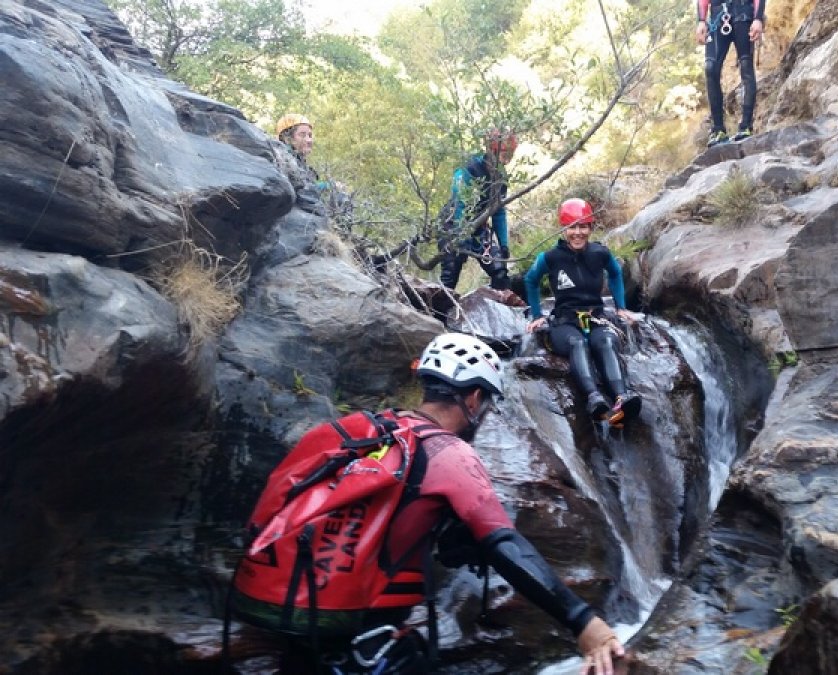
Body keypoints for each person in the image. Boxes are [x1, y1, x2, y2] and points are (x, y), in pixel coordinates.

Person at [273, 333, 627, 674]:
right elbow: (505, 543)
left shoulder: (371, 431)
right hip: (365, 649)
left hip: (292, 628)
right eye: (485, 403)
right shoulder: (448, 452)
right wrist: (584, 622)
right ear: (473, 399)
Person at [524, 199, 642, 425]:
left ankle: (621, 397)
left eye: (583, 227)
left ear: (590, 227)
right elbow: (531, 280)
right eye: (572, 227)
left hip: (596, 316)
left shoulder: (600, 253)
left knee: (606, 342)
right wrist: (537, 315)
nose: (578, 233)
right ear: (564, 229)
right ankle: (594, 397)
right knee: (577, 344)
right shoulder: (550, 258)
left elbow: (615, 274)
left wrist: (620, 307)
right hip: (564, 321)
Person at [439, 129, 517, 293]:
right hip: (453, 224)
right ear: (492, 150)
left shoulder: (501, 176)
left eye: (510, 153)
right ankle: (438, 316)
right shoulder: (469, 168)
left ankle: (499, 311)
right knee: (451, 271)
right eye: (504, 153)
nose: (507, 158)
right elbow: (459, 202)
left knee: (499, 270)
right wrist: (461, 236)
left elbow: (498, 212)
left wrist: (503, 244)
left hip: (479, 226)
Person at [694, 0, 766, 147]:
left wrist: (758, 18)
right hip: (717, 17)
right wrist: (701, 20)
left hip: (744, 14)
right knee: (710, 68)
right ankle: (718, 130)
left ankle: (746, 127)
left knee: (746, 67)